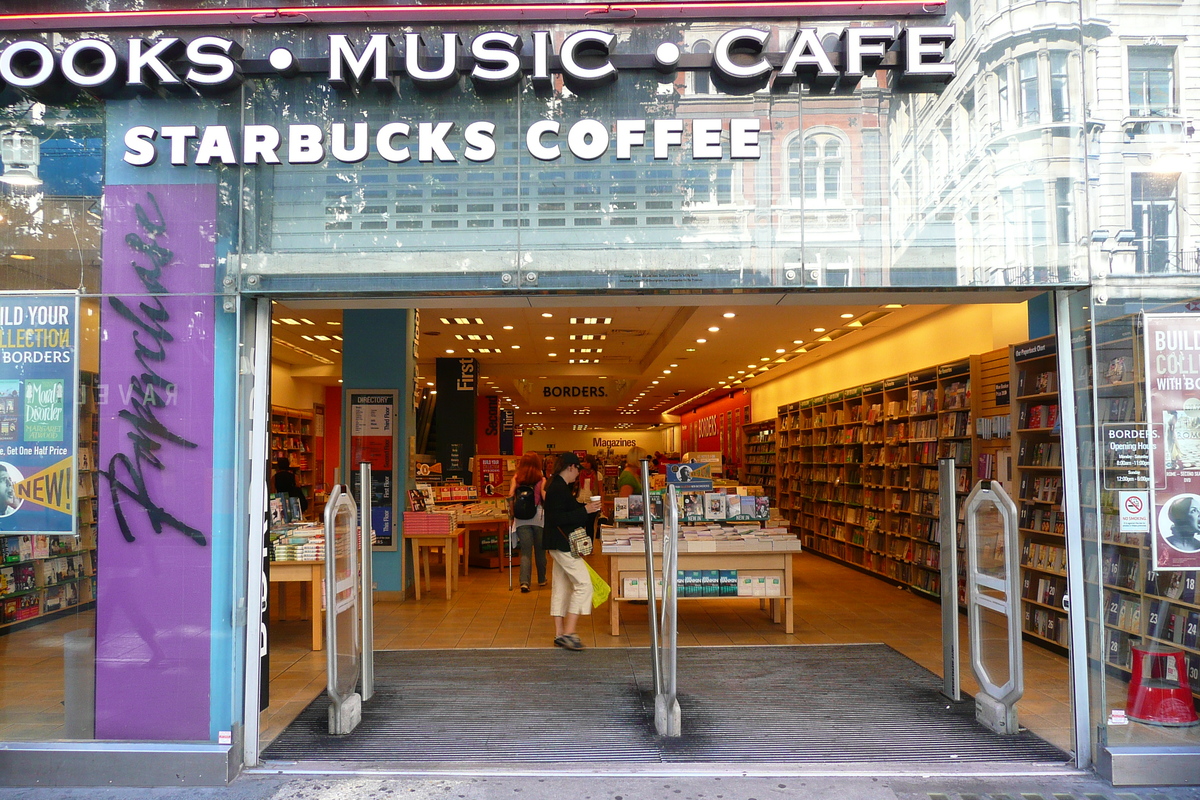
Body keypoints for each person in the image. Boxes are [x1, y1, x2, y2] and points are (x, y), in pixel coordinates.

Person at [542, 452, 602, 650]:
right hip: (563, 543)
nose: (578, 474)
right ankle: (569, 632)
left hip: (556, 542)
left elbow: (561, 513)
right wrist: (586, 510)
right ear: (570, 467)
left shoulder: (555, 485)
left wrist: (586, 508)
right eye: (578, 469)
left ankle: (560, 633)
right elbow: (560, 517)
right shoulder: (559, 488)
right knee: (584, 585)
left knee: (561, 586)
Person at [508, 452, 547, 592]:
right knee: (540, 551)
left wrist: (512, 515)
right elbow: (544, 497)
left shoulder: (516, 478)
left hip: (521, 519)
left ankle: (524, 582)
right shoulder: (541, 479)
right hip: (539, 518)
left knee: (525, 551)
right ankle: (542, 579)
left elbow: (511, 496)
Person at [576, 453, 603, 536]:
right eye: (584, 462)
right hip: (580, 501)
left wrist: (602, 503)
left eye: (588, 462)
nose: (586, 464)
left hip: (591, 502)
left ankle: (590, 546)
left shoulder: (597, 475)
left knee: (590, 526)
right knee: (579, 526)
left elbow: (600, 490)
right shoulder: (579, 474)